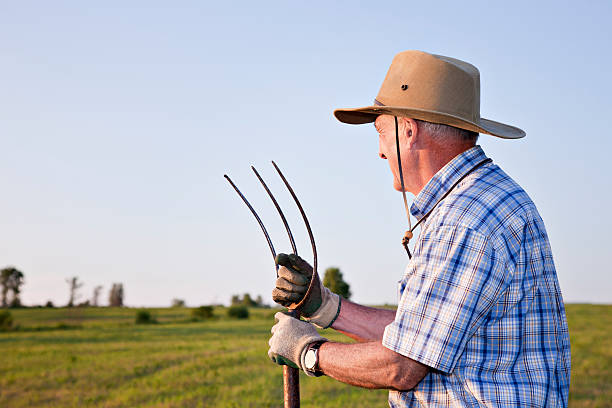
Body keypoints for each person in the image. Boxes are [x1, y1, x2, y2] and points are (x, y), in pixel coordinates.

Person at [267, 50, 571, 407]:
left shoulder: (465, 219)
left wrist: (308, 350)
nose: (380, 152)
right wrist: (325, 308)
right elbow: (422, 333)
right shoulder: (479, 200)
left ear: (407, 131)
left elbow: (402, 364)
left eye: (381, 132)